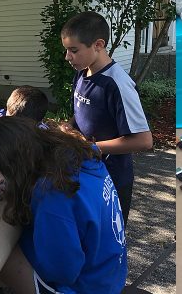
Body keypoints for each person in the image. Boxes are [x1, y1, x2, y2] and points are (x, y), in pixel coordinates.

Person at [0, 117, 127, 294]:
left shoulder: (51, 194)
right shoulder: (82, 157)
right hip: (109, 275)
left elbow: (62, 272)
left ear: (16, 167)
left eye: (3, 170)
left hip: (84, 287)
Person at [61, 11, 152, 223]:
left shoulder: (118, 84)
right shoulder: (82, 72)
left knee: (106, 239)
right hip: (84, 170)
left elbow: (144, 140)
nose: (67, 57)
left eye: (73, 50)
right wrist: (70, 124)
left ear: (98, 45)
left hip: (111, 179)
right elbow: (83, 112)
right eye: (66, 50)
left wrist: (93, 148)